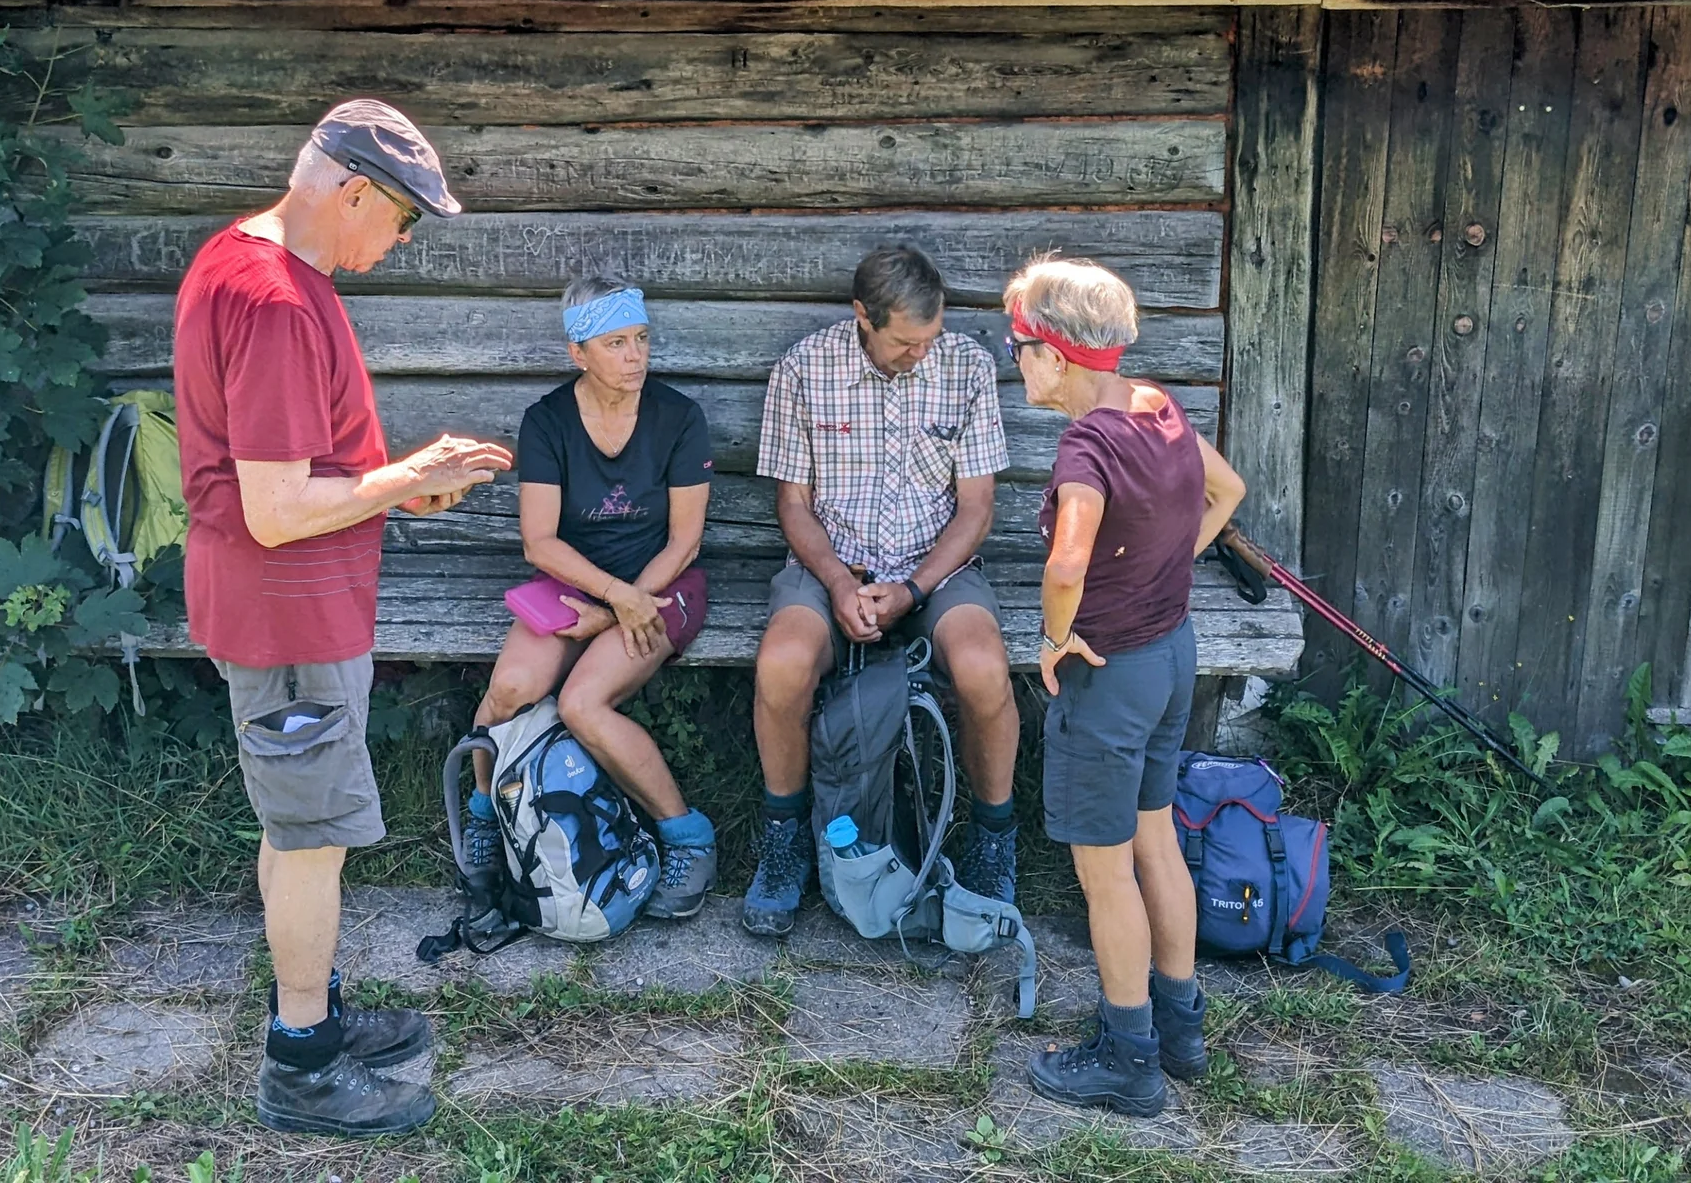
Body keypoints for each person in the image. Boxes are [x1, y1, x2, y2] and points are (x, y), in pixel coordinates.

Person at [174, 99, 514, 1136]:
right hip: (288, 620)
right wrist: (408, 471)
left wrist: (396, 489)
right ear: (355, 191)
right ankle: (302, 1066)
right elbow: (275, 511)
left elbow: (300, 473)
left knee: (296, 830)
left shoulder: (246, 261)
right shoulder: (273, 299)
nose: (399, 244)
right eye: (403, 222)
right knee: (315, 839)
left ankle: (310, 1010)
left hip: (292, 607)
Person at [1005, 255, 1246, 1117]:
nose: (1017, 362)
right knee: (1157, 844)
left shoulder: (1086, 445)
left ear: (1056, 354)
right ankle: (1183, 1031)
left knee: (1105, 876)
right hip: (1171, 656)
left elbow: (1068, 560)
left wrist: (1056, 636)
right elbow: (1227, 489)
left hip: (1108, 676)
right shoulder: (1157, 407)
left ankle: (1129, 1056)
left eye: (1018, 346)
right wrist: (1164, 567)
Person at [742, 244, 1019, 938]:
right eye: (904, 343)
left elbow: (976, 510)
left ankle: (992, 841)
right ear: (862, 316)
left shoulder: (967, 367)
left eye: (929, 339)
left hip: (937, 569)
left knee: (985, 671)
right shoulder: (805, 370)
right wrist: (838, 582)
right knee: (782, 664)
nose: (920, 354)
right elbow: (794, 505)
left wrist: (916, 589)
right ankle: (785, 843)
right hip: (830, 567)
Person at [462, 276, 717, 921]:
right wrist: (608, 600)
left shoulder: (678, 418)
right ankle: (491, 817)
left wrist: (625, 606)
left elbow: (685, 543)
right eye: (615, 344)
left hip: (664, 586)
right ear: (579, 353)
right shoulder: (547, 421)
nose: (635, 356)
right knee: (510, 689)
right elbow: (540, 542)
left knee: (582, 704)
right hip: (574, 584)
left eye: (640, 340)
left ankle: (689, 838)